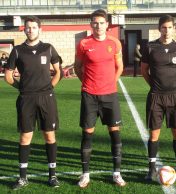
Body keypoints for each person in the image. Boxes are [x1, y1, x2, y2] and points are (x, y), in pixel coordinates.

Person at [4, 16, 61, 190]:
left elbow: (58, 72)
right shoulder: (17, 51)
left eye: (34, 27)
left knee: (49, 135)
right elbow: (8, 76)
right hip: (26, 99)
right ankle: (22, 178)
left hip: (46, 98)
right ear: (24, 30)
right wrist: (23, 88)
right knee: (25, 136)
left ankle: (52, 176)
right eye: (28, 28)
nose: (31, 30)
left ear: (39, 29)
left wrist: (48, 88)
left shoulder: (48, 48)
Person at [74, 9, 126, 188]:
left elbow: (120, 66)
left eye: (102, 22)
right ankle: (85, 174)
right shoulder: (83, 43)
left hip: (109, 95)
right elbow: (77, 66)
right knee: (87, 133)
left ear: (107, 25)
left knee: (115, 133)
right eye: (95, 23)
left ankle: (116, 173)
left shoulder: (115, 43)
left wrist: (111, 82)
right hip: (89, 95)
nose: (98, 26)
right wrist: (87, 83)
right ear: (91, 24)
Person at [141, 15, 176, 181]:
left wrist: (174, 84)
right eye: (164, 27)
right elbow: (143, 71)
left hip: (174, 96)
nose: (166, 30)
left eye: (169, 27)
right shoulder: (150, 47)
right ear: (159, 28)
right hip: (155, 96)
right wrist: (155, 86)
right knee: (154, 135)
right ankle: (152, 169)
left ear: (174, 28)